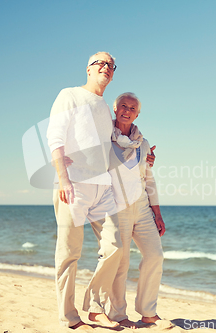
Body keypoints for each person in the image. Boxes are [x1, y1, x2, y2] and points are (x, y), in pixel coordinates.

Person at [46, 52, 123, 330]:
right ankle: (69, 317)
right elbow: (54, 136)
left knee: (115, 245)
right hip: (73, 185)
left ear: (113, 73)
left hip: (102, 188)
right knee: (69, 253)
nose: (105, 67)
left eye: (110, 65)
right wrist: (63, 180)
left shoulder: (104, 107)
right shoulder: (70, 95)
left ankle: (93, 308)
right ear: (88, 69)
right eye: (100, 63)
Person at [107, 92, 166, 327]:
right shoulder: (104, 137)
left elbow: (148, 177)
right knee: (120, 263)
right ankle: (117, 314)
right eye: (123, 105)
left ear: (137, 113)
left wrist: (158, 213)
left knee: (154, 255)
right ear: (115, 108)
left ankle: (148, 311)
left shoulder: (142, 142)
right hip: (115, 205)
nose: (127, 110)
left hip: (141, 206)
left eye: (132, 108)